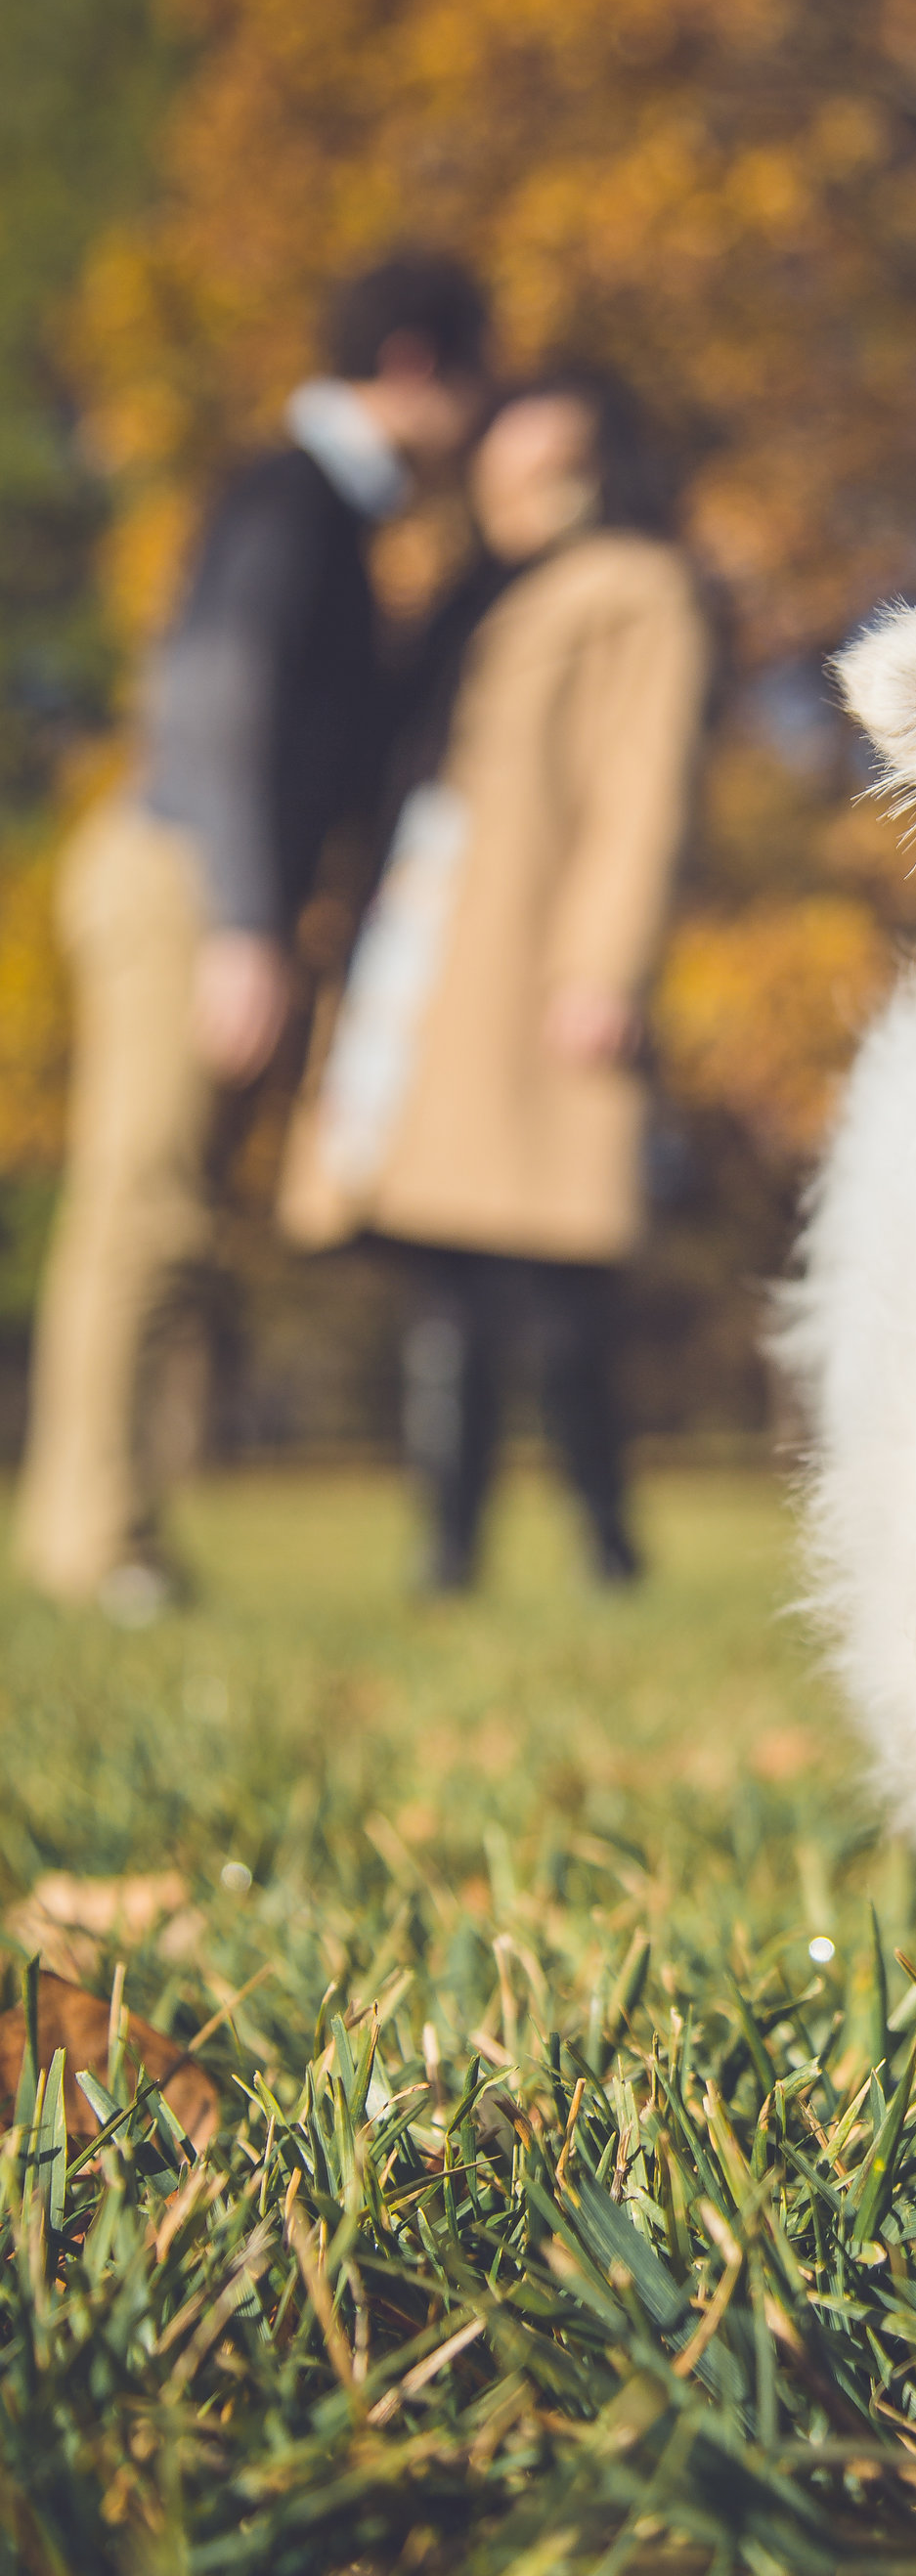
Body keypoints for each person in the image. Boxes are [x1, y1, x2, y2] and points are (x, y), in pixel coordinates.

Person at [15, 252, 491, 1619]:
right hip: (183, 878)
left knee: (162, 1216)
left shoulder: (327, 513)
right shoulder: (293, 496)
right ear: (413, 366)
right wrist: (241, 923)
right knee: (140, 1209)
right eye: (472, 381)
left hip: (192, 880)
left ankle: (109, 1531)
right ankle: (94, 1542)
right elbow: (216, 696)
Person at [281, 366, 712, 1593]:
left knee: (559, 1264)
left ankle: (607, 1545)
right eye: (510, 464)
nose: (529, 487)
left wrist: (602, 964)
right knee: (447, 1268)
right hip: (434, 949)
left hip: (535, 954)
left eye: (555, 462)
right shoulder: (467, 592)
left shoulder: (638, 586)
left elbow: (642, 789)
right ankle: (450, 1550)